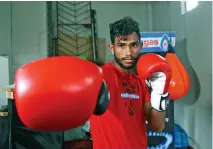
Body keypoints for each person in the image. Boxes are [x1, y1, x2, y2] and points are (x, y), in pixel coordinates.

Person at [89, 16, 167, 148]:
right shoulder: (100, 76)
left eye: (134, 45)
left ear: (140, 46)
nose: (128, 52)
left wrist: (160, 92)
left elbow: (157, 126)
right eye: (121, 45)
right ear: (112, 48)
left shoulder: (141, 82)